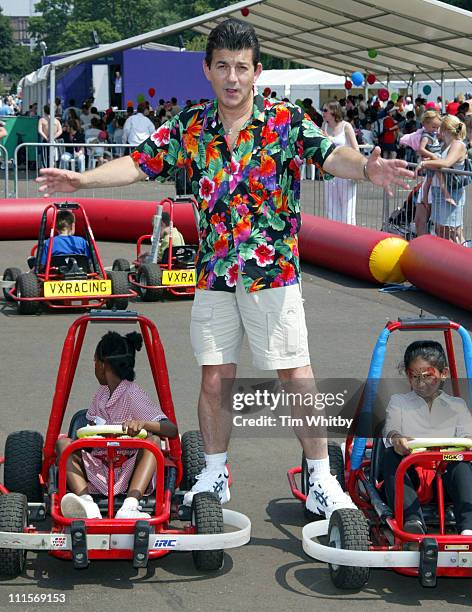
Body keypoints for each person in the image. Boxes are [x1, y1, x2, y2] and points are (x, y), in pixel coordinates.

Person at [37, 18, 413, 519]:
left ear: (256, 71)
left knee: (295, 373)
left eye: (241, 68)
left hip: (272, 273)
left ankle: (322, 476)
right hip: (215, 273)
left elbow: (329, 154)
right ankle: (214, 471)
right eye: (222, 67)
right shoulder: (192, 127)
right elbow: (139, 163)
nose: (232, 78)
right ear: (207, 71)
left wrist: (367, 166)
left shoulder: (283, 120)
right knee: (214, 377)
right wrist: (81, 181)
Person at [58, 331, 178, 519]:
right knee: (63, 444)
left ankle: (130, 505)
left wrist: (142, 424)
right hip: (100, 463)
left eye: (94, 362)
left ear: (102, 364)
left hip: (127, 466)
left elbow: (171, 429)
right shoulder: (101, 394)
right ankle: (87, 504)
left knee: (153, 442)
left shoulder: (132, 394)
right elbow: (87, 425)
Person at [383, 340, 472, 535]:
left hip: (447, 469)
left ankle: (468, 527)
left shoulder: (456, 405)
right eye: (414, 377)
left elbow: (467, 434)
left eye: (427, 376)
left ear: (443, 374)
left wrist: (466, 441)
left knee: (463, 463)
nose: (421, 383)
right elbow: (391, 429)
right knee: (391, 458)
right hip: (411, 471)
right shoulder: (399, 402)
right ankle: (411, 519)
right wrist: (397, 439)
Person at [417, 114, 467, 243]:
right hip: (439, 190)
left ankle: (462, 260)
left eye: (439, 127)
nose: (437, 130)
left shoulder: (457, 144)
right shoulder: (447, 144)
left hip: (452, 192)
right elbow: (441, 163)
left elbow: (446, 163)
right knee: (442, 231)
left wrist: (425, 163)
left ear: (445, 129)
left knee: (452, 232)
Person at [322, 100, 359, 225]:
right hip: (330, 171)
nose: (323, 113)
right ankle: (333, 237)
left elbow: (356, 149)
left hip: (345, 170)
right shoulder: (324, 126)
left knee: (347, 208)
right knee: (331, 208)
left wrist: (357, 170)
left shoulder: (346, 126)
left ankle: (350, 237)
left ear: (333, 111)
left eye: (325, 110)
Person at [37, 104, 62, 168]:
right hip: (54, 141)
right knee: (54, 158)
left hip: (46, 141)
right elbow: (60, 131)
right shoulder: (56, 120)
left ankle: (47, 172)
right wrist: (53, 138)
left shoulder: (42, 120)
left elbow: (40, 130)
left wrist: (46, 138)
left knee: (45, 158)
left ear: (44, 111)